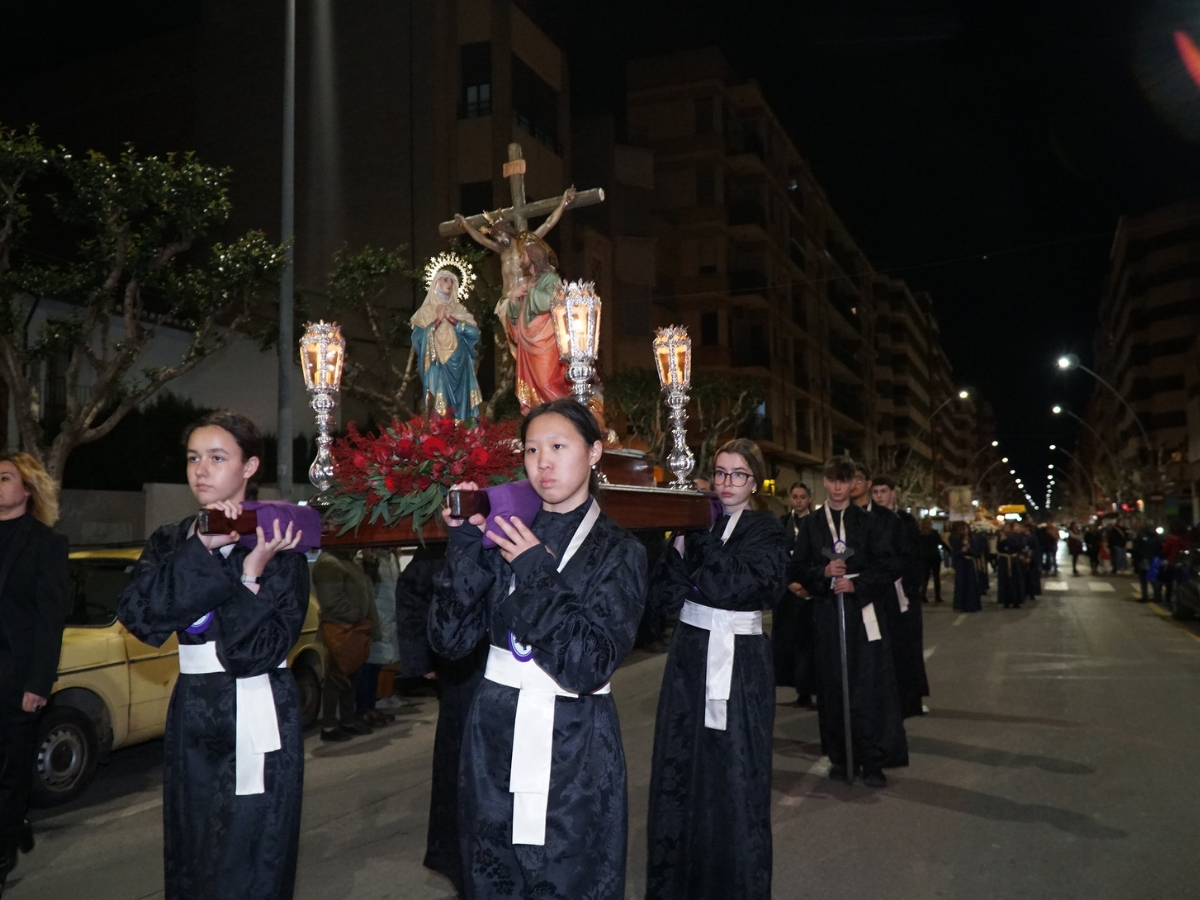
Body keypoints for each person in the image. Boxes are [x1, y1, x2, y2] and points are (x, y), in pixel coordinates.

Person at [429, 397, 647, 900]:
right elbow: (449, 640)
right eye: (531, 449)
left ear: (594, 453)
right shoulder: (505, 531)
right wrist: (464, 547)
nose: (542, 462)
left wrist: (533, 570)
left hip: (575, 744)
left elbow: (589, 664)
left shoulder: (620, 551)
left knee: (569, 879)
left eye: (557, 446)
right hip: (493, 738)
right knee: (492, 876)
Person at [118, 412, 309, 900]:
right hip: (195, 711)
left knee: (255, 848)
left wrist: (250, 572)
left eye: (217, 458)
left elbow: (257, 652)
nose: (201, 469)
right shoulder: (170, 540)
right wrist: (200, 550)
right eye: (193, 458)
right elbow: (141, 618)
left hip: (259, 710)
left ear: (249, 467)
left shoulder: (281, 545)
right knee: (194, 844)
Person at [645, 439, 788, 900]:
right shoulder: (695, 527)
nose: (727, 483)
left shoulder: (767, 529)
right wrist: (679, 542)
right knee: (682, 765)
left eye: (738, 474)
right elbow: (665, 597)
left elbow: (747, 587)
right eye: (721, 473)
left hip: (739, 664)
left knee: (734, 771)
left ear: (755, 482)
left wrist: (696, 542)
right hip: (689, 656)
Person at [793, 456, 906, 789]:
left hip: (863, 611)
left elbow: (889, 564)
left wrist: (857, 584)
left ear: (855, 483)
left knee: (868, 685)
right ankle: (841, 758)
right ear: (825, 483)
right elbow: (797, 566)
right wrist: (824, 575)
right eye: (834, 480)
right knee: (831, 685)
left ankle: (872, 760)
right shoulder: (813, 524)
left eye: (846, 480)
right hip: (828, 612)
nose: (840, 486)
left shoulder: (869, 523)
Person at [396, 543, 487, 898]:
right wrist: (424, 658)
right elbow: (413, 588)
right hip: (466, 670)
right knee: (463, 773)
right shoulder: (443, 541)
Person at [0, 453, 69, 895]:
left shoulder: (46, 544)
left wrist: (38, 683)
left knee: (9, 773)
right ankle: (16, 822)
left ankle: (2, 854)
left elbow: (51, 619)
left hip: (15, 676)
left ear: (26, 489)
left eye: (4, 478)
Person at [871, 476, 930, 719]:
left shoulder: (906, 521)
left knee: (909, 648)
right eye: (875, 492)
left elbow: (916, 557)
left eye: (883, 491)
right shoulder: (868, 520)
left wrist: (912, 587)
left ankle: (911, 700)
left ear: (893, 493)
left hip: (905, 593)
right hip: (879, 594)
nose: (879, 496)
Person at [311, 548, 379, 741]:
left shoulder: (346, 561)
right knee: (336, 678)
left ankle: (347, 721)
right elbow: (332, 601)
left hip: (351, 629)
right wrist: (358, 616)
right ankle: (330, 727)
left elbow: (365, 587)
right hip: (339, 629)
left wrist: (370, 562)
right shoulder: (329, 563)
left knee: (350, 676)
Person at [504, 233, 571, 413]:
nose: (520, 259)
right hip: (528, 343)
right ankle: (539, 416)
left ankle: (562, 415)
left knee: (546, 382)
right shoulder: (530, 281)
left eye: (523, 255)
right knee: (533, 385)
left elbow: (551, 301)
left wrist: (531, 292)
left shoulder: (551, 278)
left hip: (545, 341)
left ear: (533, 256)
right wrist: (514, 300)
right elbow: (516, 315)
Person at [410, 267, 482, 420]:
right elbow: (417, 340)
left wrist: (452, 320)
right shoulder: (425, 311)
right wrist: (436, 321)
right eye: (445, 279)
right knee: (439, 402)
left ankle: (465, 432)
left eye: (452, 281)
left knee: (463, 405)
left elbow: (474, 333)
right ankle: (441, 435)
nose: (449, 283)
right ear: (436, 283)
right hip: (438, 365)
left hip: (461, 363)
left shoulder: (459, 309)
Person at [775, 481, 815, 706]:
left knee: (809, 644)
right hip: (788, 594)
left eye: (802, 496)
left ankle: (809, 689)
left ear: (809, 498)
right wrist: (790, 583)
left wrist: (809, 585)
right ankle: (797, 688)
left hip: (811, 592)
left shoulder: (818, 522)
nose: (798, 500)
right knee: (789, 642)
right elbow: (778, 557)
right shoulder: (782, 524)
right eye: (795, 496)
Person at [949, 520, 982, 612]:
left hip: (970, 564)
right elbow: (955, 553)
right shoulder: (954, 539)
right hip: (960, 564)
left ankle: (971, 605)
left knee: (971, 584)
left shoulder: (972, 540)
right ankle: (960, 605)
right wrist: (962, 551)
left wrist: (969, 548)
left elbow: (976, 553)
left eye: (966, 529)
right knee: (961, 584)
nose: (965, 531)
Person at [995, 523, 1023, 609]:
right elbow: (999, 548)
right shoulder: (1001, 536)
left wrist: (1006, 541)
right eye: (1005, 528)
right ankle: (1005, 601)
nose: (1006, 529)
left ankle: (1016, 601)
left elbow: (1018, 546)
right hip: (1004, 560)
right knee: (1005, 581)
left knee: (1015, 581)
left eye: (1008, 528)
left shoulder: (1016, 536)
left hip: (1013, 560)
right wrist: (1002, 542)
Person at [918, 518, 944, 603]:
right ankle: (937, 596)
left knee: (925, 577)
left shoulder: (919, 533)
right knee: (936, 577)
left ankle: (923, 595)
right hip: (935, 556)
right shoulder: (934, 533)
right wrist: (951, 550)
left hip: (924, 557)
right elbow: (941, 543)